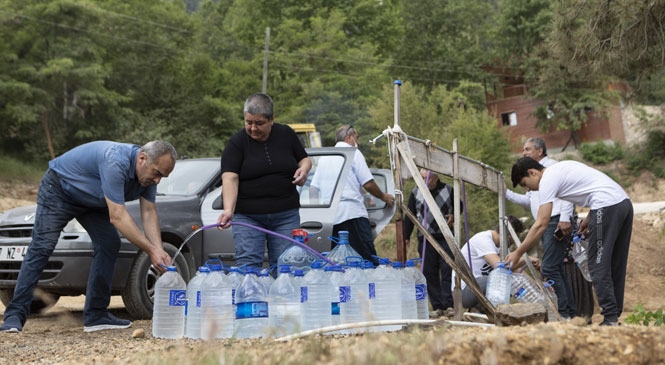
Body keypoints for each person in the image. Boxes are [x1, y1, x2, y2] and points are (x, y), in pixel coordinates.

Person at [0, 140, 177, 333]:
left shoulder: (149, 176)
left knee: (109, 243)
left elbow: (149, 212)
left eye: (163, 177)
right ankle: (14, 316)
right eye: (157, 173)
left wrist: (159, 249)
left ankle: (96, 315)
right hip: (60, 189)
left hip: (92, 201)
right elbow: (117, 216)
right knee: (42, 247)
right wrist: (151, 250)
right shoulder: (116, 161)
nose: (158, 180)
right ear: (142, 158)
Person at [507, 157, 633, 326]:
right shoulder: (562, 168)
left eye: (525, 183)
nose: (528, 189)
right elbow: (596, 187)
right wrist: (590, 218)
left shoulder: (547, 180)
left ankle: (610, 318)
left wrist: (518, 252)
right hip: (623, 203)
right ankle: (613, 315)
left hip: (606, 205)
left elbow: (541, 223)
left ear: (532, 172)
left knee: (596, 264)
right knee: (615, 263)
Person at [217, 93, 312, 270]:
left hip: (286, 215)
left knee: (287, 266)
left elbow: (305, 159)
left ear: (271, 119)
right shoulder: (236, 143)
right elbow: (230, 178)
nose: (253, 128)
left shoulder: (286, 134)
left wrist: (304, 170)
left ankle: (282, 298)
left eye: (259, 123)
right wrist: (228, 210)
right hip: (248, 217)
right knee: (248, 267)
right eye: (248, 122)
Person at [505, 138, 577, 319]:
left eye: (528, 149)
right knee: (555, 268)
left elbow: (567, 193)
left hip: (555, 220)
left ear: (540, 151)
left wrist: (565, 217)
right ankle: (569, 313)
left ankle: (564, 314)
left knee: (550, 268)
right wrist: (504, 192)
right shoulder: (534, 175)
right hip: (546, 222)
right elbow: (528, 199)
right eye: (522, 149)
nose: (524, 152)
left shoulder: (550, 168)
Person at [328, 125, 394, 265]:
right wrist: (384, 197)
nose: (358, 142)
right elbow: (368, 184)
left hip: (330, 218)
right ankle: (371, 286)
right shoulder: (353, 152)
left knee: (337, 262)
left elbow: (314, 189)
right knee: (367, 259)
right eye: (356, 138)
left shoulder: (327, 157)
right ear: (348, 137)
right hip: (353, 214)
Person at [403, 169, 460, 318]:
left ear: (436, 177)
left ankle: (448, 304)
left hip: (445, 237)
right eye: (422, 178)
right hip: (425, 238)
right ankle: (437, 306)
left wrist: (453, 215)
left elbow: (459, 205)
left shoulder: (448, 190)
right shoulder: (416, 192)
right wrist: (406, 236)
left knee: (447, 270)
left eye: (428, 179)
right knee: (429, 271)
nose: (425, 182)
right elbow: (409, 216)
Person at [452, 216, 533, 309]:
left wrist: (536, 286)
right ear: (509, 234)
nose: (514, 242)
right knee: (501, 279)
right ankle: (489, 309)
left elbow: (517, 270)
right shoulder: (483, 239)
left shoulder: (503, 248)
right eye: (515, 237)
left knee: (515, 282)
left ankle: (486, 310)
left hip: (479, 290)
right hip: (464, 291)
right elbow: (500, 266)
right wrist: (527, 259)